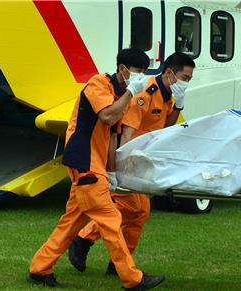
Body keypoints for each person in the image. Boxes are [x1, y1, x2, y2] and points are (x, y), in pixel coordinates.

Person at [27, 48, 165, 290]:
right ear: (122, 69)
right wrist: (131, 92)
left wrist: (112, 173)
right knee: (111, 220)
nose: (141, 77)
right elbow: (106, 117)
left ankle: (39, 268)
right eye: (138, 72)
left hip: (94, 166)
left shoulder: (121, 94)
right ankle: (132, 279)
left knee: (70, 222)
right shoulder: (98, 84)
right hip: (85, 163)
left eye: (144, 72)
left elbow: (112, 138)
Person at [67, 52, 195, 275]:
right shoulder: (145, 93)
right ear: (169, 73)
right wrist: (119, 167)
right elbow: (125, 133)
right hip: (128, 159)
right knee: (126, 209)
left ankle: (113, 261)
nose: (185, 83)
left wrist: (179, 107)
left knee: (139, 213)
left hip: (143, 162)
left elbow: (164, 127)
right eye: (184, 77)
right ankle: (84, 240)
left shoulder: (168, 97)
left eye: (189, 79)